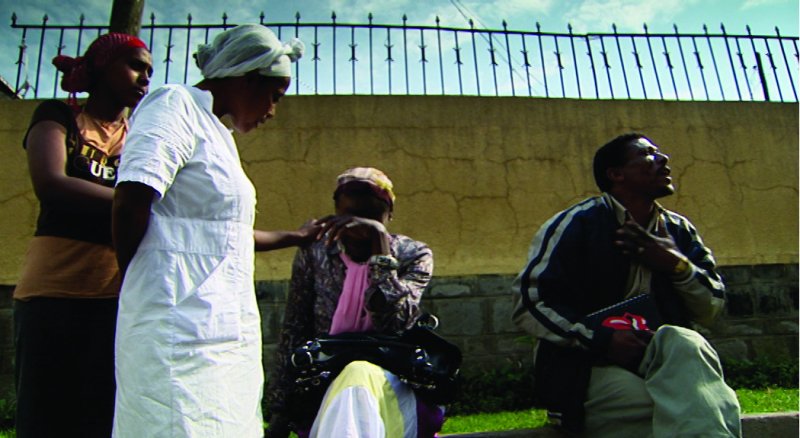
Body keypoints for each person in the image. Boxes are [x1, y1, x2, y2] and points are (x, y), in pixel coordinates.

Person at [111, 25, 310, 437]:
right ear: (248, 78)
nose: (273, 111)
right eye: (275, 96)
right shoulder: (175, 105)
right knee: (175, 423)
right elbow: (131, 198)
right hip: (175, 321)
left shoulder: (218, 135)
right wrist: (142, 280)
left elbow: (226, 236)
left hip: (223, 328)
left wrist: (296, 236)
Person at [512, 133, 741, 437]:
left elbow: (710, 308)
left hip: (665, 360)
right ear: (616, 174)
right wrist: (601, 339)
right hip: (587, 367)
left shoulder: (679, 231)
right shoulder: (577, 224)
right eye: (648, 154)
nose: (663, 159)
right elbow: (530, 303)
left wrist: (676, 264)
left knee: (685, 341)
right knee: (690, 407)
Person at [13, 33, 152, 438]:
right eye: (135, 66)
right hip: (52, 294)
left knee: (103, 419)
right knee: (44, 419)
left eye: (149, 70)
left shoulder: (141, 137)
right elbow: (51, 183)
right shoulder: (59, 116)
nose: (145, 78)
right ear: (102, 67)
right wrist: (132, 203)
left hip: (116, 298)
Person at [265, 167, 442, 438]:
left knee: (358, 374)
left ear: (389, 215)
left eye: (370, 218)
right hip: (324, 376)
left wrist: (380, 253)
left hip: (391, 376)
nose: (359, 228)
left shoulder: (413, 254)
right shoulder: (317, 252)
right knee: (350, 385)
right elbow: (295, 327)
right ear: (336, 213)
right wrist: (280, 413)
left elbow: (394, 322)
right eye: (350, 217)